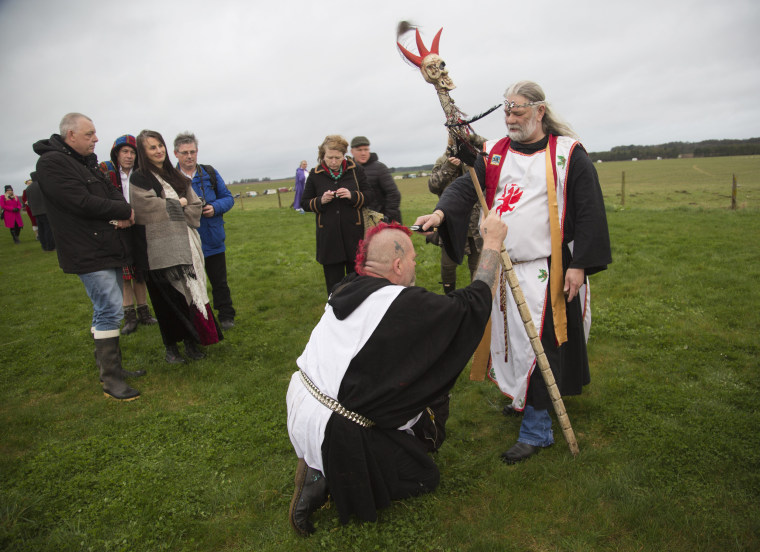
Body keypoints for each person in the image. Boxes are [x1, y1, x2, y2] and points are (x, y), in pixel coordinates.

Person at [415, 80, 612, 464]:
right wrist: (440, 213)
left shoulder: (568, 154)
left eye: (518, 109)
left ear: (540, 111)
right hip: (504, 269)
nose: (510, 117)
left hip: (548, 270)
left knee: (543, 347)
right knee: (513, 348)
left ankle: (537, 430)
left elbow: (589, 210)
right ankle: (526, 400)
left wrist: (579, 265)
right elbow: (466, 189)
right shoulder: (493, 154)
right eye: (505, 109)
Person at [286, 213, 507, 535]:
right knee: (423, 476)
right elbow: (471, 303)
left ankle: (321, 460)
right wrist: (493, 243)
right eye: (414, 259)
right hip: (338, 429)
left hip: (302, 405)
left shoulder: (346, 286)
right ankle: (324, 478)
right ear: (399, 265)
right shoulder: (402, 304)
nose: (416, 266)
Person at [33, 112, 141, 400]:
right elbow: (80, 202)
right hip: (86, 249)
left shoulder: (87, 163)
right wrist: (122, 212)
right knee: (110, 309)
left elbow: (113, 193)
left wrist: (124, 208)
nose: (96, 139)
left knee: (106, 308)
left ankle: (112, 368)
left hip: (106, 246)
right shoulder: (52, 163)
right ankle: (111, 380)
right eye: (90, 133)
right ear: (71, 135)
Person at [130, 130, 222, 363]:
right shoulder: (139, 178)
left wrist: (180, 206)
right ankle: (171, 348)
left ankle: (192, 342)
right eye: (152, 147)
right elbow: (146, 208)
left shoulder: (175, 175)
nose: (158, 150)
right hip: (159, 250)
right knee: (166, 301)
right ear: (143, 152)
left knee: (188, 296)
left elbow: (194, 203)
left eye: (160, 145)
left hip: (187, 245)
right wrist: (176, 204)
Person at [173, 132, 236, 331]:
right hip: (186, 240)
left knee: (219, 281)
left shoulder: (209, 173)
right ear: (176, 154)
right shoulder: (170, 178)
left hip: (213, 237)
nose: (189, 156)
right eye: (184, 153)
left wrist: (215, 208)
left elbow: (228, 198)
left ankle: (226, 315)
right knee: (192, 284)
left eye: (192, 152)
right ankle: (198, 319)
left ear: (197, 152)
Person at [100, 134, 158, 334]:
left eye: (133, 152)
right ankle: (129, 316)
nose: (129, 156)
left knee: (140, 271)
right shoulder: (106, 172)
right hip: (117, 228)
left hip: (139, 226)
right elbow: (100, 201)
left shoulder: (141, 173)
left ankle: (144, 311)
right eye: (125, 151)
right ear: (117, 153)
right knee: (125, 275)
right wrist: (116, 221)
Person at [301, 135, 369, 297]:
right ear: (322, 156)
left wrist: (352, 195)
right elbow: (304, 203)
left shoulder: (356, 170)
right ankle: (335, 315)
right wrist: (321, 200)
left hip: (354, 235)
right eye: (329, 157)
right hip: (329, 239)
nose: (333, 161)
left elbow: (369, 195)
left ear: (344, 155)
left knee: (358, 284)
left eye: (337, 158)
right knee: (335, 286)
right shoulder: (315, 174)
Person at [428, 135, 486, 294]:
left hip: (475, 224)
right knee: (448, 266)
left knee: (477, 266)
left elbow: (481, 181)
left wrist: (468, 163)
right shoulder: (442, 160)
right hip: (451, 222)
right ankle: (449, 297)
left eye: (458, 134)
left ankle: (477, 298)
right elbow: (433, 186)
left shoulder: (477, 157)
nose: (453, 138)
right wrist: (449, 167)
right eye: (450, 134)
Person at [350, 136, 402, 223]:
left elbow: (394, 194)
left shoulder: (380, 168)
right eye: (359, 150)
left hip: (382, 220)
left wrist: (386, 218)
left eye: (366, 149)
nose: (363, 153)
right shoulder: (349, 170)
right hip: (360, 221)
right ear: (352, 152)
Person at [24, 172, 56, 251]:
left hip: (35, 212)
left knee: (41, 230)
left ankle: (44, 246)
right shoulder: (42, 185)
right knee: (48, 229)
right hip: (45, 210)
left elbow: (29, 202)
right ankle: (50, 246)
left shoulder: (28, 189)